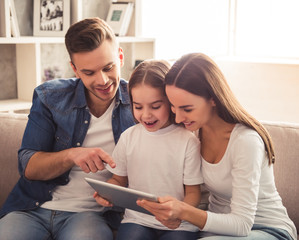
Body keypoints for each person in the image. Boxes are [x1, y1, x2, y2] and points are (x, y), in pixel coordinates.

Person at [0, 17, 135, 240]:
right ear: (75, 69)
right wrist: (72, 155)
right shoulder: (50, 97)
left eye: (108, 67)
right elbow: (29, 167)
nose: (102, 80)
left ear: (120, 57)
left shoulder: (140, 104)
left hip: (89, 216)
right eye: (89, 72)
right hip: (32, 209)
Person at [137, 53, 297, 240]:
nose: (178, 118)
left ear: (213, 98)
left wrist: (184, 211)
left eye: (187, 109)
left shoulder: (245, 141)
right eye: (173, 106)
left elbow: (242, 224)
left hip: (266, 229)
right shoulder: (194, 132)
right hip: (217, 232)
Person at [94, 59, 203, 240]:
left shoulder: (188, 141)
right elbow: (118, 179)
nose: (146, 114)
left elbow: (193, 193)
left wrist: (179, 214)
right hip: (138, 220)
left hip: (179, 223)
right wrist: (107, 193)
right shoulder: (129, 137)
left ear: (171, 102)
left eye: (155, 106)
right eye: (138, 107)